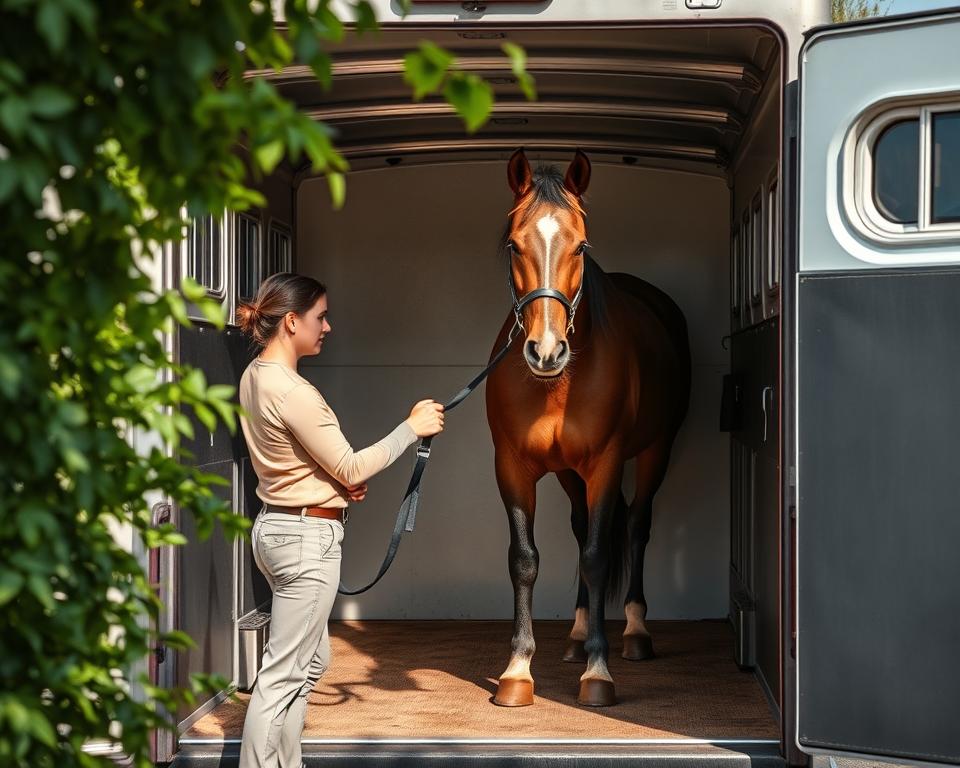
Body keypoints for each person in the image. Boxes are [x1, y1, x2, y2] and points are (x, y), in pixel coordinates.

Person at [234, 272, 444, 768]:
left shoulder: (254, 377)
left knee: (312, 661)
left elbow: (294, 459)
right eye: (320, 316)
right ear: (291, 322)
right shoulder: (293, 391)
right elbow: (349, 463)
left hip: (279, 526)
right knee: (285, 674)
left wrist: (333, 487)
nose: (327, 326)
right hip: (306, 538)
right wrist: (410, 429)